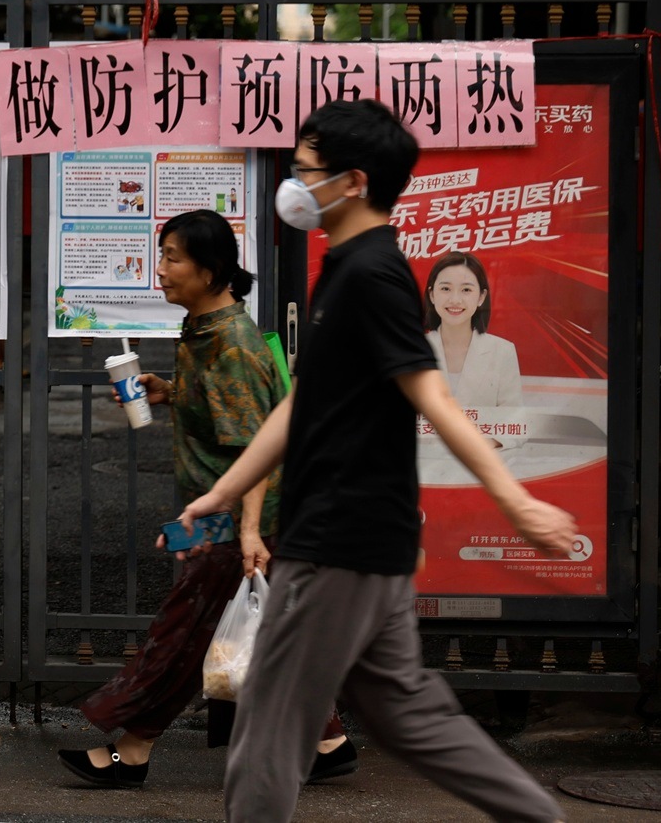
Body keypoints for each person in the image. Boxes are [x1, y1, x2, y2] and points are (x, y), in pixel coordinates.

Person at [178, 100, 579, 823]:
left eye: (305, 172)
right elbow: (303, 402)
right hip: (364, 539)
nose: (294, 187)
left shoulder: (373, 276)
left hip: (340, 540)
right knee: (408, 716)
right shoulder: (345, 268)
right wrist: (226, 490)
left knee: (268, 723)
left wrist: (514, 500)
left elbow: (432, 395)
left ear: (353, 181)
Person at [57, 209, 355, 790]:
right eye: (161, 255)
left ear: (212, 270)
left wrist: (248, 536)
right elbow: (229, 416)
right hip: (227, 515)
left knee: (186, 633)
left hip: (237, 522)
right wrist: (172, 393)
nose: (160, 270)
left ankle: (132, 750)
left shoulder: (231, 347)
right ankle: (326, 740)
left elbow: (257, 447)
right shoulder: (206, 329)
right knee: (254, 632)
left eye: (172, 258)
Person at [424, 251, 524, 448]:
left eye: (466, 290)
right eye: (445, 288)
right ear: (432, 294)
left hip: (479, 465)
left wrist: (485, 444)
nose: (455, 300)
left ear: (481, 297)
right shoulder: (410, 349)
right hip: (421, 466)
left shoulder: (502, 351)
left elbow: (516, 421)